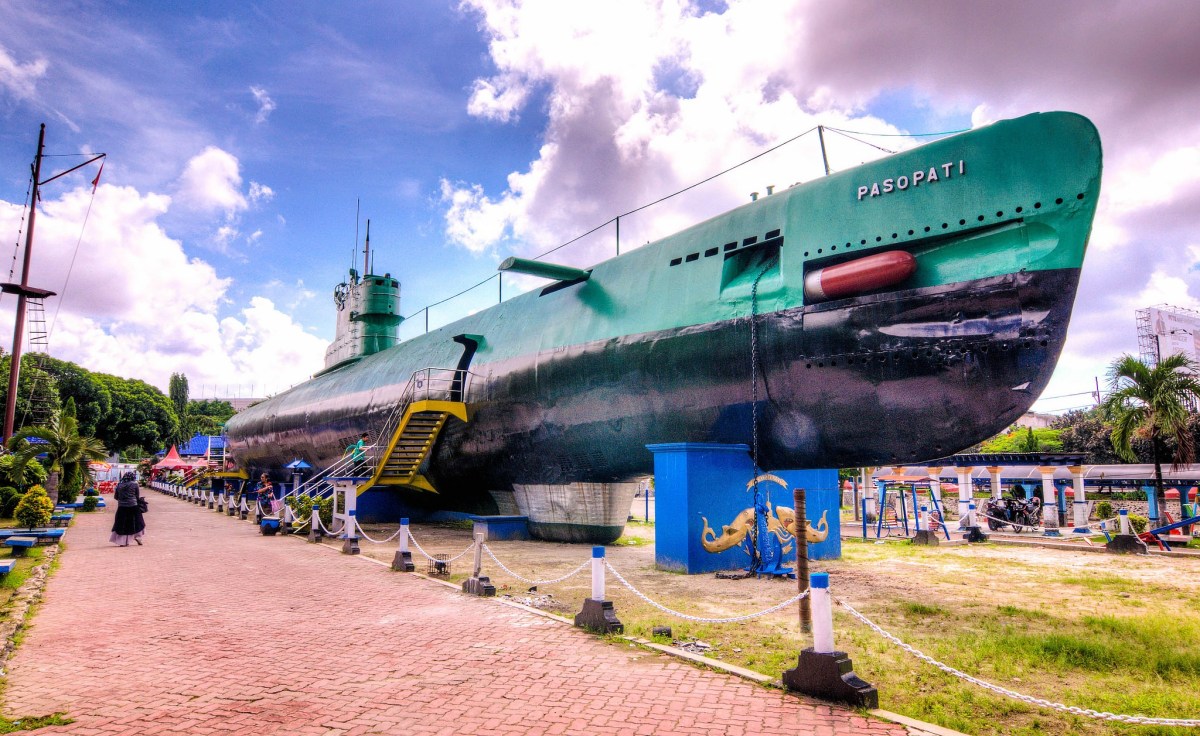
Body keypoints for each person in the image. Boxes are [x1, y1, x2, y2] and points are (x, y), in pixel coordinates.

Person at [110, 471, 145, 547]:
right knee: (137, 522)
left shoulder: (119, 485)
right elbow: (137, 496)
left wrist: (123, 500)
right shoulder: (135, 484)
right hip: (133, 506)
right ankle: (138, 537)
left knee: (122, 524)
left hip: (122, 507)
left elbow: (116, 497)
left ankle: (122, 542)